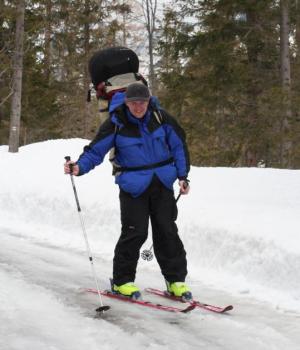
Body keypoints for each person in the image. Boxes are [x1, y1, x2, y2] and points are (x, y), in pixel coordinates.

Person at [64, 82, 192, 300]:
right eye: (133, 103)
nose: (138, 107)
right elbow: (96, 151)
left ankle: (175, 281)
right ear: (127, 103)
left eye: (142, 102)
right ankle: (122, 282)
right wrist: (78, 167)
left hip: (162, 183)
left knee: (166, 231)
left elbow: (179, 146)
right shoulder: (116, 123)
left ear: (149, 100)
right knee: (135, 232)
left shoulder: (161, 118)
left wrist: (183, 176)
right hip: (133, 187)